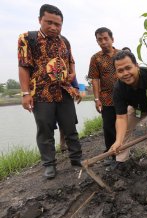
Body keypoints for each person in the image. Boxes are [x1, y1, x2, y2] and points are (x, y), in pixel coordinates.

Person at [18, 4, 82, 179]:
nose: (54, 27)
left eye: (58, 24)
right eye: (49, 22)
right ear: (40, 20)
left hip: (64, 91)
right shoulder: (27, 38)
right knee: (45, 129)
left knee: (70, 127)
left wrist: (73, 72)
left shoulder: (64, 41)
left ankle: (76, 159)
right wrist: (25, 94)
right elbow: (23, 67)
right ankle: (49, 165)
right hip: (41, 93)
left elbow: (71, 60)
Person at [87, 27, 119, 167]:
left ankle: (122, 152)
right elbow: (95, 79)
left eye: (106, 38)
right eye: (100, 39)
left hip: (123, 97)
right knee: (108, 127)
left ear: (112, 39)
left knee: (124, 125)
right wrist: (96, 99)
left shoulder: (121, 55)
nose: (103, 42)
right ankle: (111, 153)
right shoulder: (95, 58)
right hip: (106, 98)